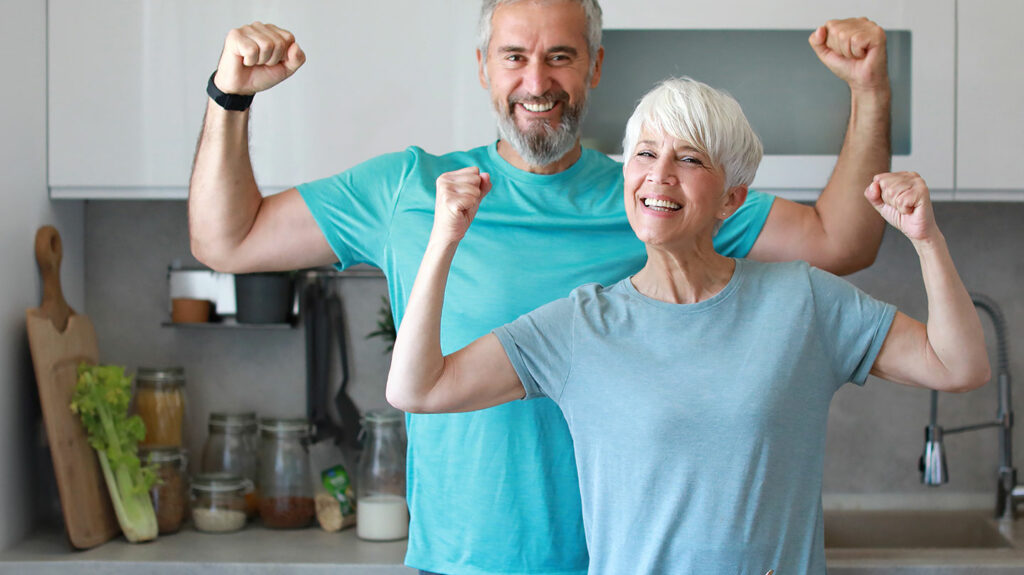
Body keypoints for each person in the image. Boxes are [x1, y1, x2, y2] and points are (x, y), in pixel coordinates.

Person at [188, 2, 892, 572]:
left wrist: (868, 90)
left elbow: (843, 239)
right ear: (483, 68)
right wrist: (229, 96)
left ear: (594, 67)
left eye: (560, 56)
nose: (536, 82)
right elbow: (229, 239)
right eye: (514, 57)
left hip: (620, 561)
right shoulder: (408, 189)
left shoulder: (652, 198)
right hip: (463, 562)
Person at [386, 76, 990, 575]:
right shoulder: (577, 327)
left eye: (691, 159)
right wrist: (444, 240)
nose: (660, 174)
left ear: (731, 199)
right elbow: (417, 389)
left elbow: (958, 365)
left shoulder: (801, 301)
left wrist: (927, 240)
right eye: (646, 153)